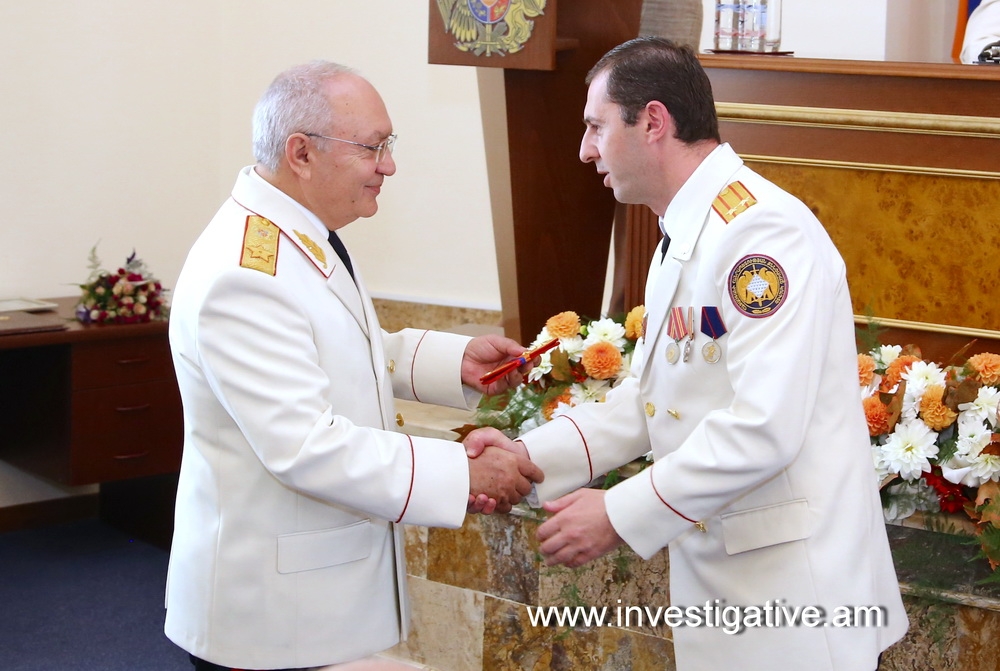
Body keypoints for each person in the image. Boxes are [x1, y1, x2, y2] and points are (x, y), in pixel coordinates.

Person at [468, 37, 908, 670]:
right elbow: (652, 399)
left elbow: (764, 427)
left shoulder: (761, 234)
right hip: (734, 583)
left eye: (595, 127)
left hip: (794, 595)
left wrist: (620, 513)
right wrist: (527, 456)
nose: (585, 150)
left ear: (653, 121)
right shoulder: (686, 231)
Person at [164, 60, 543, 671]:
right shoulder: (245, 273)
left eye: (388, 145)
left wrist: (454, 362)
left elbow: (340, 348)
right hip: (270, 614)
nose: (388, 166)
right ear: (302, 153)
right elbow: (305, 446)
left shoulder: (297, 232)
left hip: (305, 600)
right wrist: (463, 473)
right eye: (372, 147)